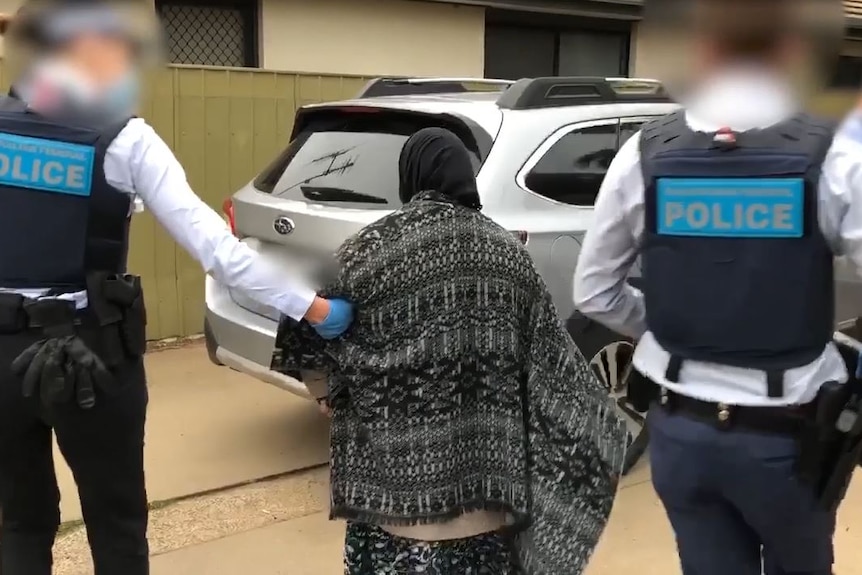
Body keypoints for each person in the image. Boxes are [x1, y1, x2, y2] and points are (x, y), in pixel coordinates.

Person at [0, 2, 353, 574]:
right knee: (116, 523)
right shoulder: (125, 139)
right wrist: (313, 307)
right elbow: (219, 252)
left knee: (19, 521)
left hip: (2, 356)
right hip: (91, 355)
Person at [572, 1, 856, 574]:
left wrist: (682, 324)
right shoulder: (837, 149)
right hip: (790, 439)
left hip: (680, 434)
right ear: (794, 51)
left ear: (701, 50)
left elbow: (595, 293)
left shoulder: (646, 150)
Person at [271, 127, 630, 575]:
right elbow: (556, 366)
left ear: (410, 176)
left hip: (389, 497)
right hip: (486, 496)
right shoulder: (508, 255)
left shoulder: (369, 248)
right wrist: (598, 438)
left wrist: (325, 390)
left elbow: (300, 314)